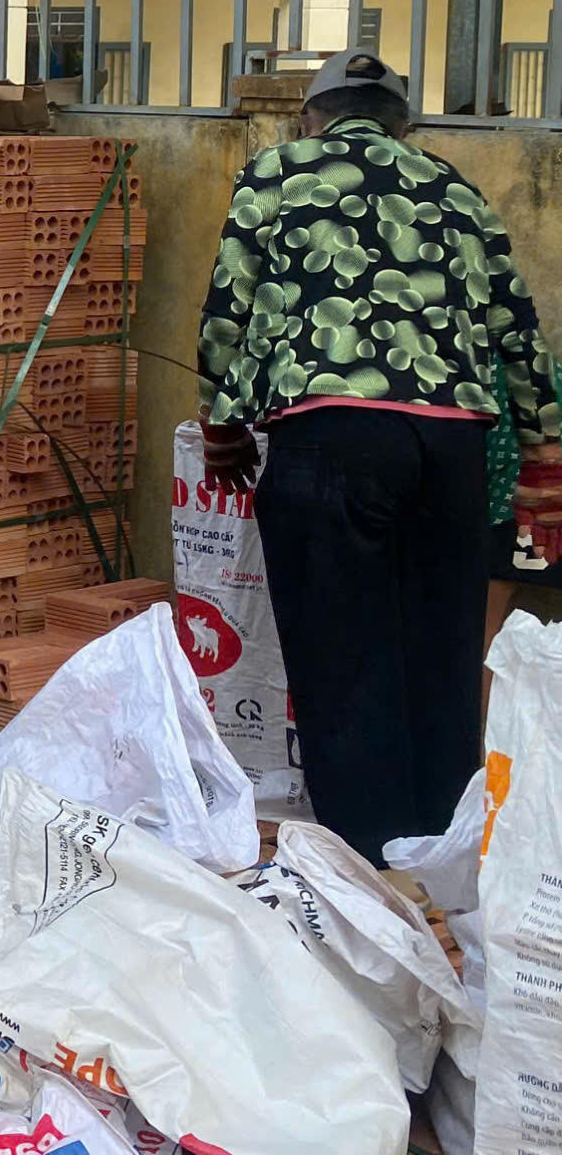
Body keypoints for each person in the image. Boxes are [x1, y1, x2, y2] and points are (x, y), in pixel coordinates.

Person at [198, 46, 561, 864]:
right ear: (404, 126)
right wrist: (543, 453)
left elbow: (227, 308)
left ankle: (367, 868)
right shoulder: (455, 187)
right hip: (451, 443)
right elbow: (517, 323)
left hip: (331, 435)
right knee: (439, 653)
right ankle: (441, 862)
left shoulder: (277, 172)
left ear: (311, 117)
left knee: (341, 657)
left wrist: (223, 424)